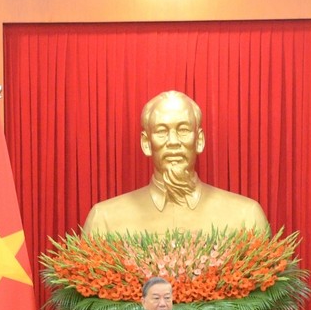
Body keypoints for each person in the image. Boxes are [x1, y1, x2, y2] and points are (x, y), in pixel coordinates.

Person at [81, 91, 271, 238]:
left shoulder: (246, 217)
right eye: (161, 131)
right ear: (146, 143)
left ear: (199, 140)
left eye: (183, 130)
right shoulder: (104, 220)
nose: (173, 142)